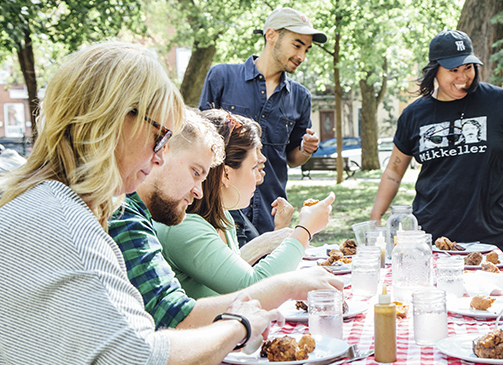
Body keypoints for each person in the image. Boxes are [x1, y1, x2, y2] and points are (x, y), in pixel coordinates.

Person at [0, 41, 282, 365]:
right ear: (113, 117)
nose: (160, 157)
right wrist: (238, 325)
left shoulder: (36, 204)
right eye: (160, 137)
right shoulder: (63, 223)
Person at [109, 107, 340, 330]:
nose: (261, 177)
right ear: (161, 153)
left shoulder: (219, 219)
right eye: (195, 172)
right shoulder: (160, 222)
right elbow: (175, 315)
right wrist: (303, 234)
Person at [369, 30, 503, 257]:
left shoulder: (500, 102)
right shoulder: (414, 115)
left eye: (468, 68)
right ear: (435, 71)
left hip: (492, 235)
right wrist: (375, 219)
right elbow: (393, 170)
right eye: (453, 70)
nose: (463, 78)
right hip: (432, 235)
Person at [155, 109, 331, 299]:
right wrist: (305, 230)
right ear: (226, 174)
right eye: (254, 167)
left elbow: (232, 273)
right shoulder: (184, 226)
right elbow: (252, 287)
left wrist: (272, 240)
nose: (259, 178)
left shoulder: (224, 218)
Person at [199, 6, 324, 243]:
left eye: (306, 49)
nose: (302, 56)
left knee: (269, 277)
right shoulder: (222, 77)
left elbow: (291, 158)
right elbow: (200, 144)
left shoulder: (301, 96)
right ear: (271, 35)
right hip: (220, 212)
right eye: (297, 45)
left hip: (272, 211)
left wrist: (306, 149)